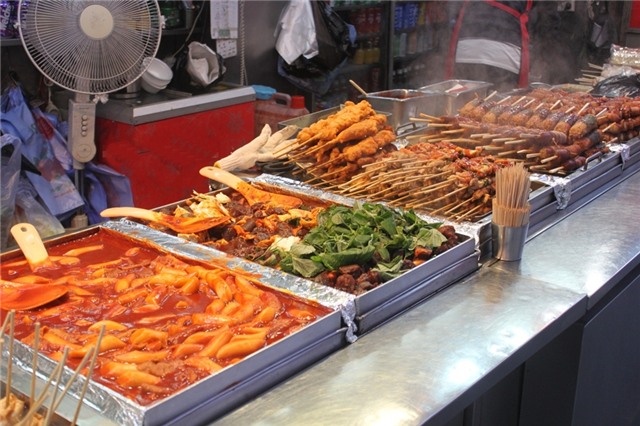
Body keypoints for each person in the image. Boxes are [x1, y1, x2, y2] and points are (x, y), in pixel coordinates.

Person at [445, 0, 546, 92]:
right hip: (506, 54)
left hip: (466, 49)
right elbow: (544, 22)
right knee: (503, 102)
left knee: (462, 101)